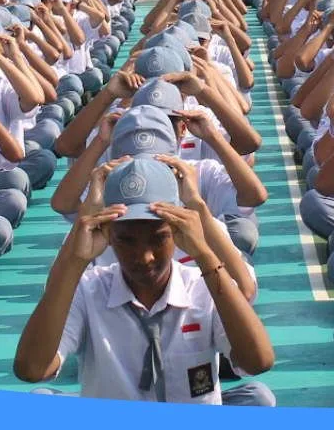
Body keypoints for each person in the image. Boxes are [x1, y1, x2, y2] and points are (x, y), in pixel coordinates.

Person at [14, 156, 276, 405]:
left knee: (259, 397)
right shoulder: (88, 290)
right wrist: (74, 262)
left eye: (158, 238)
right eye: (126, 240)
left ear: (176, 230)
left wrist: (205, 254)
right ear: (106, 233)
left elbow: (258, 361)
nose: (145, 256)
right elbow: (32, 368)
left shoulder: (201, 286)